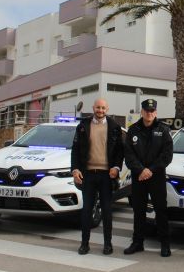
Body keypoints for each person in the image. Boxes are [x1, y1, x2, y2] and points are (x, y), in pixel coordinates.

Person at [71, 98, 123, 255]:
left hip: (107, 176)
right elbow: (75, 149)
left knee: (107, 211)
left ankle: (108, 244)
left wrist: (116, 167)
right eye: (98, 107)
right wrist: (75, 169)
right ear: (93, 108)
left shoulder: (114, 127)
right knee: (87, 210)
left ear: (107, 109)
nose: (100, 110)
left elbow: (120, 151)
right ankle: (84, 244)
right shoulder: (83, 126)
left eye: (103, 108)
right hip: (88, 175)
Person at [123, 98, 173, 257]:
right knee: (139, 211)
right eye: (146, 110)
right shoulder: (133, 130)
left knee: (161, 211)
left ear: (156, 112)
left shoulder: (164, 130)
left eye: (152, 111)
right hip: (139, 177)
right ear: (142, 112)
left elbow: (167, 155)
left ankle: (165, 244)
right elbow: (129, 155)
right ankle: (137, 243)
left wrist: (150, 170)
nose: (149, 113)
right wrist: (141, 170)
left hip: (156, 177)